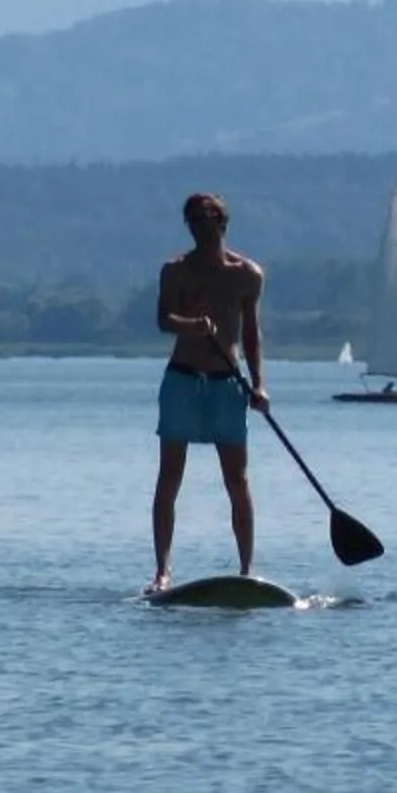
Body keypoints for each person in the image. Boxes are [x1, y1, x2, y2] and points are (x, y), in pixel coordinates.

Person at [151, 190, 267, 592]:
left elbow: (252, 334)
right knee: (170, 477)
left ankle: (247, 570)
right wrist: (191, 325)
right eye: (193, 221)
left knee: (237, 479)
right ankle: (163, 572)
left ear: (222, 223)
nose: (200, 227)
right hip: (183, 378)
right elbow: (164, 319)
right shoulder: (175, 270)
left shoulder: (247, 274)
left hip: (226, 384)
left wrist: (259, 385)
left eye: (207, 219)